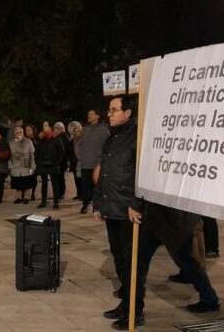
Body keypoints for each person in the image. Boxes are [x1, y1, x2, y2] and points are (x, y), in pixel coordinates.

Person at [92, 96, 144, 329]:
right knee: (120, 260)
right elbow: (104, 172)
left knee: (132, 264)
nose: (109, 114)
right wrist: (97, 203)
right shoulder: (112, 137)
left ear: (128, 113)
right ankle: (126, 303)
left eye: (114, 110)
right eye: (109, 110)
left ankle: (135, 311)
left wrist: (136, 203)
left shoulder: (137, 137)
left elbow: (143, 174)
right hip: (111, 207)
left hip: (128, 211)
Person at [77, 110, 109, 214]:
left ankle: (98, 208)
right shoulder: (84, 130)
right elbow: (78, 145)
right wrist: (80, 157)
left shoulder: (103, 130)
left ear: (98, 116)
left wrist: (102, 161)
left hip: (97, 165)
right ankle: (85, 205)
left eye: (91, 114)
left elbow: (108, 146)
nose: (89, 116)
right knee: (85, 186)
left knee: (98, 187)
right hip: (85, 164)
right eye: (88, 114)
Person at [34, 121, 64, 209]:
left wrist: (57, 161)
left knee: (55, 184)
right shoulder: (41, 138)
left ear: (50, 127)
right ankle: (43, 202)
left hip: (53, 163)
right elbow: (37, 151)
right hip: (42, 163)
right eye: (43, 125)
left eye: (46, 125)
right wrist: (38, 161)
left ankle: (56, 203)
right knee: (44, 184)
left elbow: (61, 151)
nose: (44, 127)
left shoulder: (56, 137)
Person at [9, 126, 36, 204]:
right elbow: (10, 154)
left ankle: (26, 197)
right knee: (18, 181)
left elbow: (32, 153)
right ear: (15, 133)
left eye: (20, 132)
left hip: (26, 161)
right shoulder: (11, 142)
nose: (19, 133)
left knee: (26, 181)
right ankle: (19, 197)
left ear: (23, 132)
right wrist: (10, 165)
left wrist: (32, 165)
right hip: (15, 163)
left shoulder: (28, 141)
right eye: (17, 132)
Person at [53, 122, 70, 200]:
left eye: (60, 128)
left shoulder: (65, 137)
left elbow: (65, 150)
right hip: (54, 161)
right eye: (57, 128)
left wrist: (62, 159)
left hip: (62, 161)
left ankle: (61, 193)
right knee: (55, 178)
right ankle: (57, 193)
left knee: (60, 178)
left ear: (63, 129)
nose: (58, 130)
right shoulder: (54, 137)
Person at [67, 121, 83, 201]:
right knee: (76, 179)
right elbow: (69, 152)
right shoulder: (71, 142)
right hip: (74, 163)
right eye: (76, 131)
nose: (77, 132)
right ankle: (79, 194)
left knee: (82, 179)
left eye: (79, 131)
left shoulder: (84, 140)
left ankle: (83, 195)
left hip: (82, 162)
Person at [25, 124, 39, 201]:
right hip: (26, 161)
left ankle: (32, 194)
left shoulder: (36, 139)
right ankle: (26, 195)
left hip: (34, 161)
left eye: (29, 129)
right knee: (26, 178)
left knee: (33, 178)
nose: (28, 131)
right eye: (26, 130)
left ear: (33, 131)